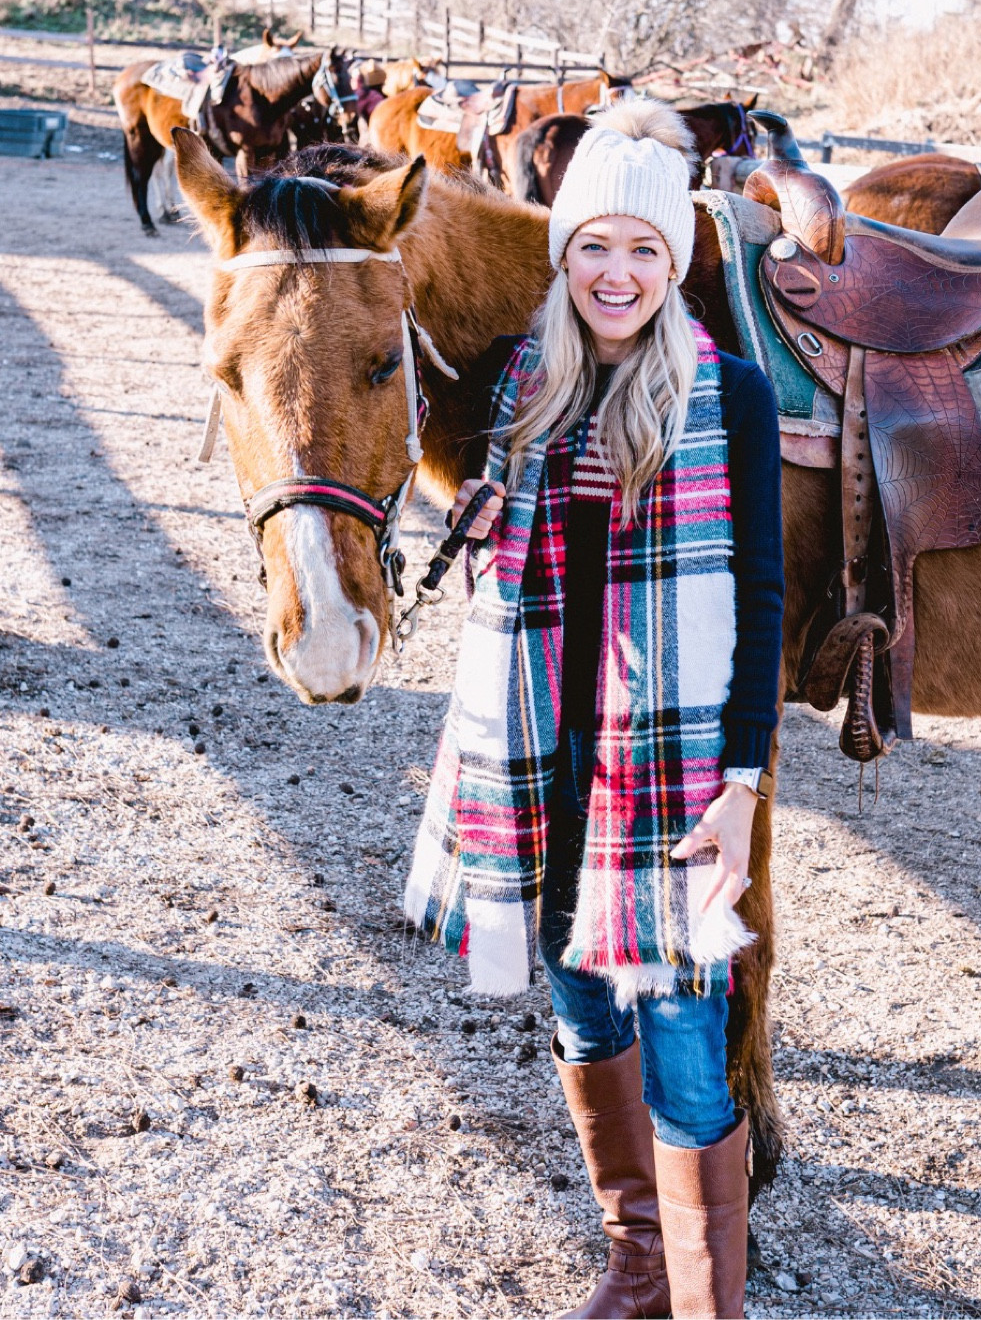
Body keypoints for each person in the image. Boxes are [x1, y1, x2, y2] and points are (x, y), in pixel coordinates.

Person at [405, 99, 783, 1319]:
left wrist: (742, 786)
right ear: (563, 253)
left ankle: (706, 1298)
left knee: (686, 1054)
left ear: (672, 262)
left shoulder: (729, 397)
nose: (617, 273)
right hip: (543, 767)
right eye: (593, 246)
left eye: (643, 249)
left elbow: (764, 600)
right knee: (579, 1018)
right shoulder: (522, 389)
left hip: (667, 780)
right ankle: (638, 1260)